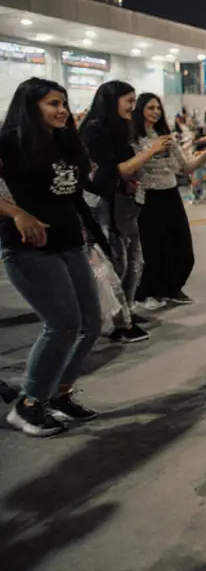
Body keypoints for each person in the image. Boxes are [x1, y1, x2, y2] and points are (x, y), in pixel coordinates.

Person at [1, 79, 109, 436]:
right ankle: (29, 404)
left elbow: (72, 193)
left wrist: (85, 230)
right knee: (62, 323)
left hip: (69, 244)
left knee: (91, 324)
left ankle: (59, 394)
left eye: (63, 102)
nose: (62, 109)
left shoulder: (65, 142)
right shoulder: (12, 142)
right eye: (52, 103)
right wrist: (17, 213)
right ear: (31, 107)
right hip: (28, 249)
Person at [80, 81, 160, 343]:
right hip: (102, 207)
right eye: (128, 100)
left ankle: (124, 313)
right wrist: (151, 152)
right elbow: (110, 171)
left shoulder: (119, 129)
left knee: (135, 262)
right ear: (110, 101)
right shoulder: (93, 131)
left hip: (123, 206)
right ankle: (116, 322)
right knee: (117, 263)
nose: (132, 107)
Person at [131, 93, 206, 309]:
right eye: (150, 107)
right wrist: (151, 150)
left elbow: (184, 167)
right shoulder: (133, 138)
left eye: (158, 108)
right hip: (148, 197)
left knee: (183, 249)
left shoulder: (167, 136)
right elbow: (130, 167)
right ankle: (146, 294)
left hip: (170, 194)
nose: (155, 112)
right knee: (154, 250)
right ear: (140, 110)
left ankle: (171, 288)